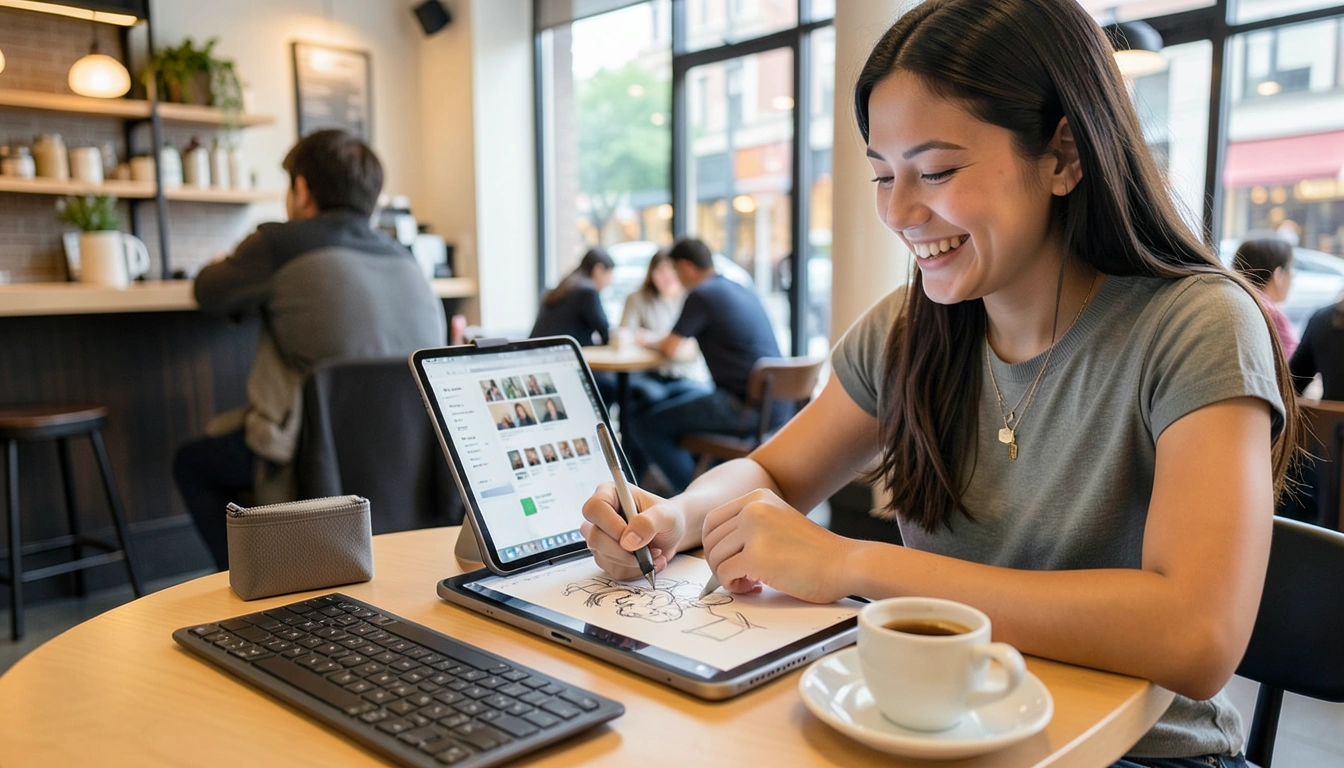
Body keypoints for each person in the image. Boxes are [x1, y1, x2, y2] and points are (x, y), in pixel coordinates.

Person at [580, 2, 1295, 766]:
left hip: (1142, 755)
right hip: (936, 734)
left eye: (939, 171)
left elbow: (1196, 636)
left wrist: (851, 565)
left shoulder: (1196, 324)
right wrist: (675, 519)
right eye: (884, 175)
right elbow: (774, 471)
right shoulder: (911, 329)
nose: (900, 211)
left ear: (1062, 155)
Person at [173, 129, 446, 570]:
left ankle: (253, 583)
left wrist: (227, 266)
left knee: (193, 463)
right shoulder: (404, 257)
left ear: (301, 189)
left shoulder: (278, 244)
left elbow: (209, 292)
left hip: (316, 456)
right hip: (410, 463)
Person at [627, 237, 789, 493]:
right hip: (777, 407)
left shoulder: (702, 295)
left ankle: (696, 500)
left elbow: (670, 346)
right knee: (680, 397)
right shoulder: (740, 287)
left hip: (742, 408)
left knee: (645, 425)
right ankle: (705, 488)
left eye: (675, 271)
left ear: (686, 267)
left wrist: (645, 338)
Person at [531, 247, 615, 346]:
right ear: (598, 269)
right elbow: (606, 333)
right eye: (609, 274)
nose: (610, 281)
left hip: (538, 351)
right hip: (561, 355)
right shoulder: (587, 292)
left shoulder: (566, 286)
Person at [1232, 238, 1297, 358]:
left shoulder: (1235, 303)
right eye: (1291, 268)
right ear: (1279, 275)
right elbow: (1296, 368)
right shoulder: (1272, 314)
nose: (1293, 278)